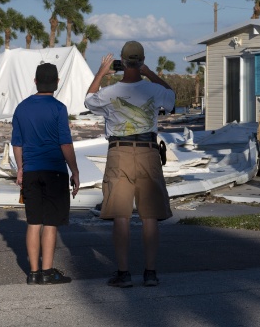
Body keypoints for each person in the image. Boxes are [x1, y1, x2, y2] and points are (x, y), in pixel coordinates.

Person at [84, 41, 175, 288]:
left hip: (119, 151)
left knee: (121, 215)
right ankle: (150, 272)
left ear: (122, 62)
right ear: (141, 60)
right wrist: (149, 73)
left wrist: (102, 72)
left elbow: (89, 100)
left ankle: (123, 273)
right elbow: (172, 97)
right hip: (148, 151)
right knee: (150, 216)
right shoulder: (153, 89)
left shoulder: (110, 93)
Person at [11, 62, 80, 285]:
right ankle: (47, 272)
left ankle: (33, 273)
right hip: (54, 172)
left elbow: (17, 143)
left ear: (35, 81)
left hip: (31, 171)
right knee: (50, 223)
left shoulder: (21, 108)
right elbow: (65, 143)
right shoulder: (58, 108)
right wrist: (75, 171)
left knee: (33, 222)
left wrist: (20, 169)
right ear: (57, 83)